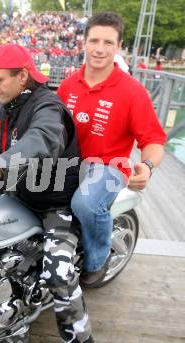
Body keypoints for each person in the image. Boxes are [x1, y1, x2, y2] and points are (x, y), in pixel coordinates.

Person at [0, 43, 93, 343]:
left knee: (57, 274)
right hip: (20, 194)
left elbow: (41, 140)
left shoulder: (48, 107)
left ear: (22, 76)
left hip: (54, 203)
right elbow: (2, 149)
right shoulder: (6, 108)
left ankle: (80, 337)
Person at [57, 12, 166, 287]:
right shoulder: (68, 86)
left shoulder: (133, 92)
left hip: (109, 166)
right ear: (84, 43)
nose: (99, 49)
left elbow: (154, 140)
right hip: (68, 163)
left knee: (85, 203)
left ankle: (98, 259)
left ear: (118, 47)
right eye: (94, 40)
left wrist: (148, 166)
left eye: (108, 42)